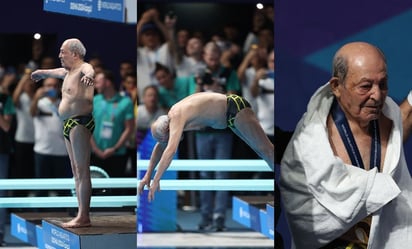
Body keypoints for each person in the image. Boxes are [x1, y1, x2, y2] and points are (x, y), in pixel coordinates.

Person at [279, 42, 412, 248]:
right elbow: (305, 219)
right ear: (336, 86)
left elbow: (399, 130)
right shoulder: (309, 144)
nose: (377, 95)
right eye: (365, 86)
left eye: (383, 84)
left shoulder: (389, 116)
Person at [137, 92, 274, 201]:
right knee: (262, 151)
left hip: (235, 108)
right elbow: (161, 147)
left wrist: (157, 179)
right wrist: (147, 175)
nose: (166, 142)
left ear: (167, 131)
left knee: (266, 150)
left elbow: (170, 150)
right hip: (231, 118)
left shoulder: (177, 116)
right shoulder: (170, 119)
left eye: (165, 139)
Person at [31, 38, 95, 228]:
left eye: (62, 52)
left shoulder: (84, 67)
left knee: (82, 170)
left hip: (79, 122)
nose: (59, 55)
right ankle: (81, 213)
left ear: (74, 54)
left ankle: (84, 216)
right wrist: (42, 73)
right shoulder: (69, 72)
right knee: (76, 170)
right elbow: (57, 72)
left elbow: (89, 69)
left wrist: (90, 76)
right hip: (69, 123)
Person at [30, 77, 71, 197]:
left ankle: (65, 214)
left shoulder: (65, 103)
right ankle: (39, 214)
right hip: (42, 151)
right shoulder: (39, 103)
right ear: (43, 87)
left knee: (63, 189)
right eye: (48, 85)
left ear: (59, 88)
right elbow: (31, 113)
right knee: (41, 188)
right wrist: (37, 97)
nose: (51, 88)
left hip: (62, 152)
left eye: (54, 85)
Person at [90, 70, 134, 180]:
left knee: (115, 189)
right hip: (95, 153)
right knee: (96, 190)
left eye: (98, 82)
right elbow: (87, 126)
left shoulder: (125, 102)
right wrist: (95, 149)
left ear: (108, 82)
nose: (95, 85)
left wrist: (114, 149)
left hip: (117, 154)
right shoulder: (94, 100)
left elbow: (129, 128)